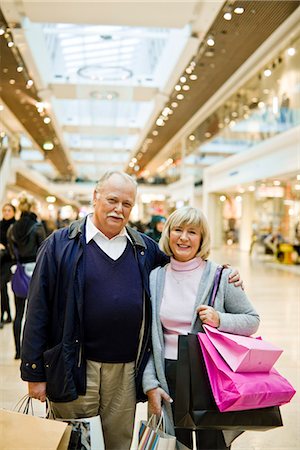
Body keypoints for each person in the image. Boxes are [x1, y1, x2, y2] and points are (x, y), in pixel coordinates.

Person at [20, 172, 242, 450]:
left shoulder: (144, 249)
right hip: (74, 366)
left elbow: (184, 262)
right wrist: (34, 373)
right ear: (95, 198)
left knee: (118, 443)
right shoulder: (60, 244)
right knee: (76, 443)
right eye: (112, 200)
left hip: (125, 373)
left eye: (127, 203)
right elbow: (38, 310)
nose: (118, 209)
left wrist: (225, 273)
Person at [143, 206, 260, 450]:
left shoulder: (221, 275)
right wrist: (150, 382)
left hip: (209, 375)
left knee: (213, 444)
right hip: (170, 375)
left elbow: (252, 320)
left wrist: (220, 319)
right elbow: (150, 339)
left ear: (202, 238)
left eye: (192, 232)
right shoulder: (155, 277)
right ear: (168, 234)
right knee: (175, 444)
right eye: (178, 230)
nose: (184, 237)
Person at [7, 192, 46, 359]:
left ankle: (17, 351)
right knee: (36, 313)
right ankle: (32, 351)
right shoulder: (37, 227)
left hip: (20, 271)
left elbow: (11, 251)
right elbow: (44, 251)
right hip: (36, 272)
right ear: (31, 208)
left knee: (19, 313)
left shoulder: (12, 228)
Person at [0, 203, 16, 328]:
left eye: (9, 210)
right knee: (2, 288)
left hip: (9, 261)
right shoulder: (0, 225)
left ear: (14, 212)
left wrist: (5, 248)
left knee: (2, 285)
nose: (6, 212)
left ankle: (4, 315)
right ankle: (7, 314)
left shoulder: (15, 226)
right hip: (0, 260)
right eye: (4, 210)